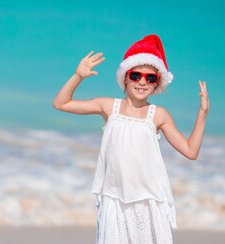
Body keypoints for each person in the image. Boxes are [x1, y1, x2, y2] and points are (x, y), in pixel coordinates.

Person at [52, 34, 209, 244]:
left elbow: (191, 151)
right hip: (114, 200)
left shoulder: (158, 115)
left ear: (157, 84)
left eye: (150, 78)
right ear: (125, 77)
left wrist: (202, 114)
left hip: (147, 202)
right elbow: (61, 104)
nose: (142, 82)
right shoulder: (108, 107)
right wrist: (78, 76)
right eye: (136, 75)